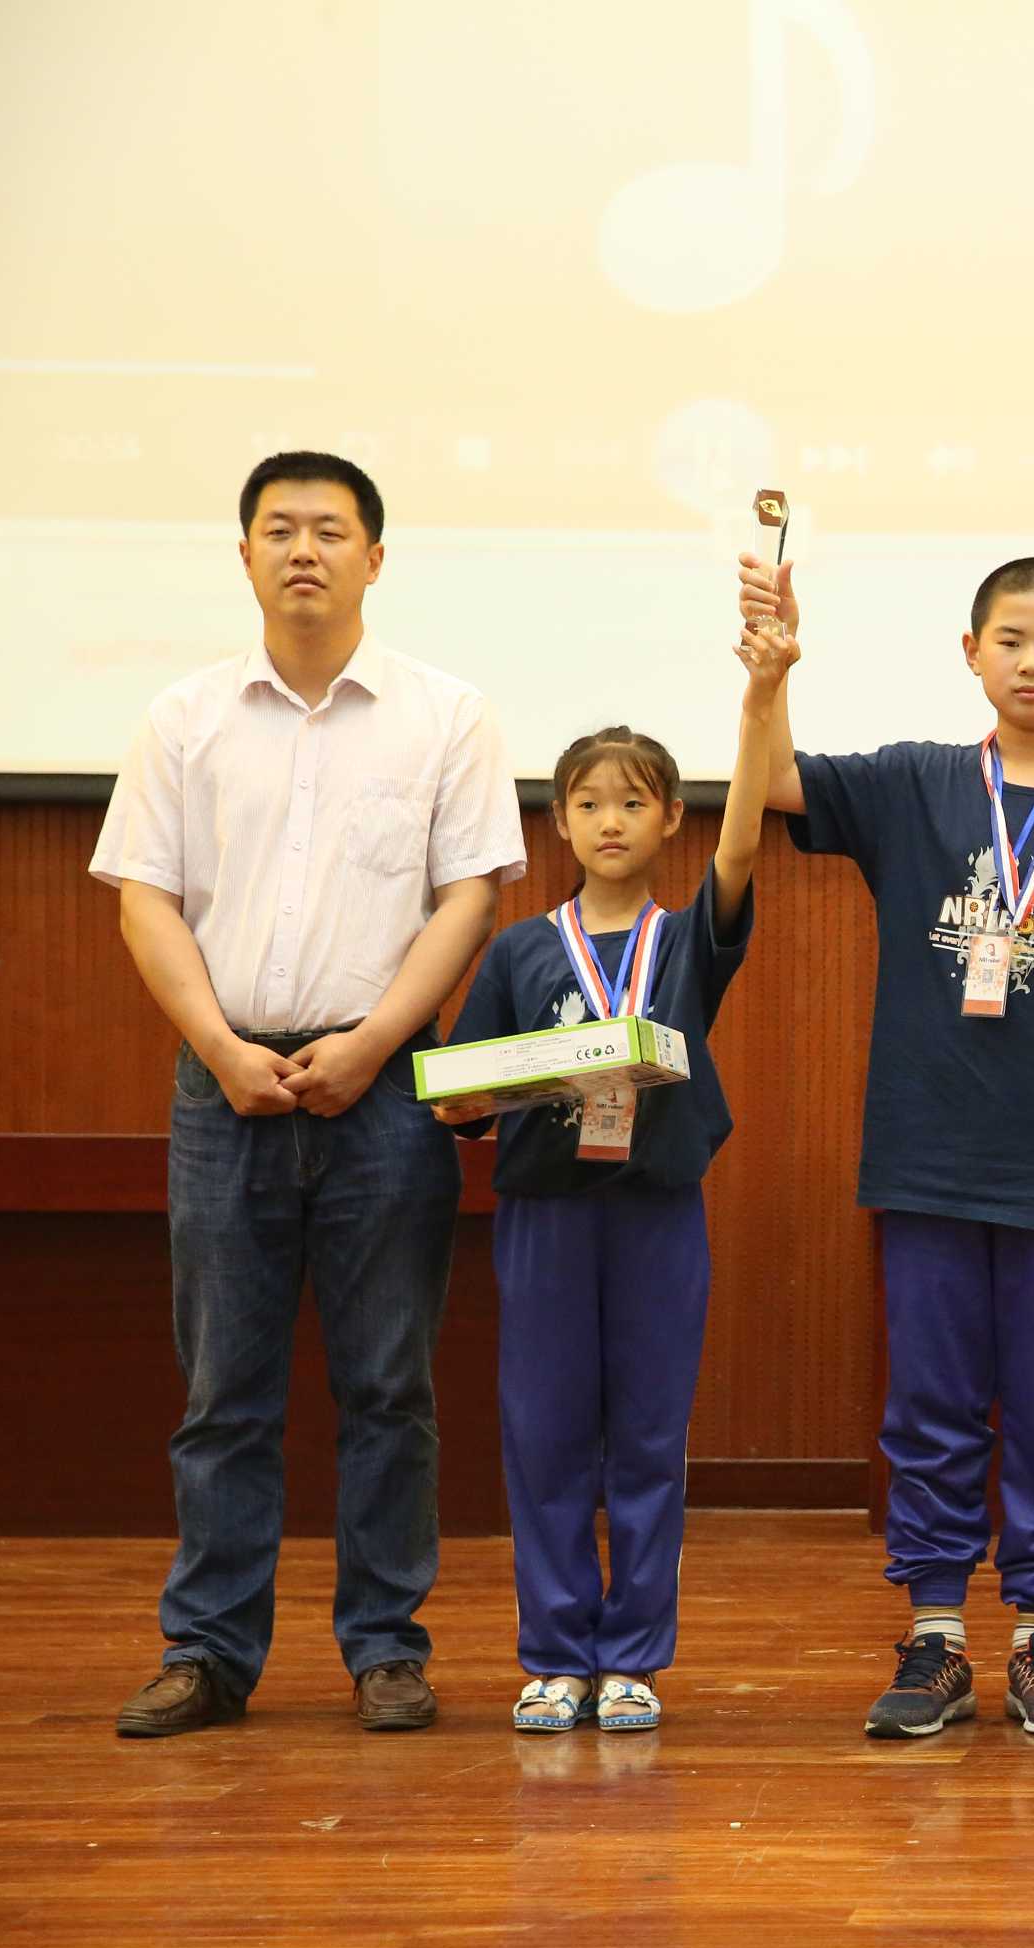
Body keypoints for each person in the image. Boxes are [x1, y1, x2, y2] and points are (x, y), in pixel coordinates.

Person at [95, 452, 525, 1736]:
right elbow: (144, 899)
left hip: (381, 1091)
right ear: (243, 555)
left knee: (389, 1388)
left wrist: (374, 1042)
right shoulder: (185, 716)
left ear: (373, 559)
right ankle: (208, 1651)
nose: (303, 550)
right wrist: (223, 1048)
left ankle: (386, 1646)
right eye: (278, 529)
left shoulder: (446, 715)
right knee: (223, 1393)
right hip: (222, 1085)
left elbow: (469, 899)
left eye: (330, 531)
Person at [744, 552, 1034, 1740]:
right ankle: (937, 1634)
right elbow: (779, 781)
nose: (1031, 662)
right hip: (929, 1152)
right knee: (931, 1401)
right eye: (1010, 640)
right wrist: (769, 675)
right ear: (970, 653)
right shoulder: (913, 783)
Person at [432, 618, 791, 1732]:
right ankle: (554, 1655)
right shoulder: (519, 949)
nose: (610, 820)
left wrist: (761, 696)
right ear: (559, 822)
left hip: (656, 1213)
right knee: (543, 1432)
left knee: (646, 1436)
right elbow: (462, 1087)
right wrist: (468, 1100)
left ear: (672, 817)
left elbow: (743, 851)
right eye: (588, 802)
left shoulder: (688, 941)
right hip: (544, 1215)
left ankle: (631, 1654)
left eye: (634, 801)